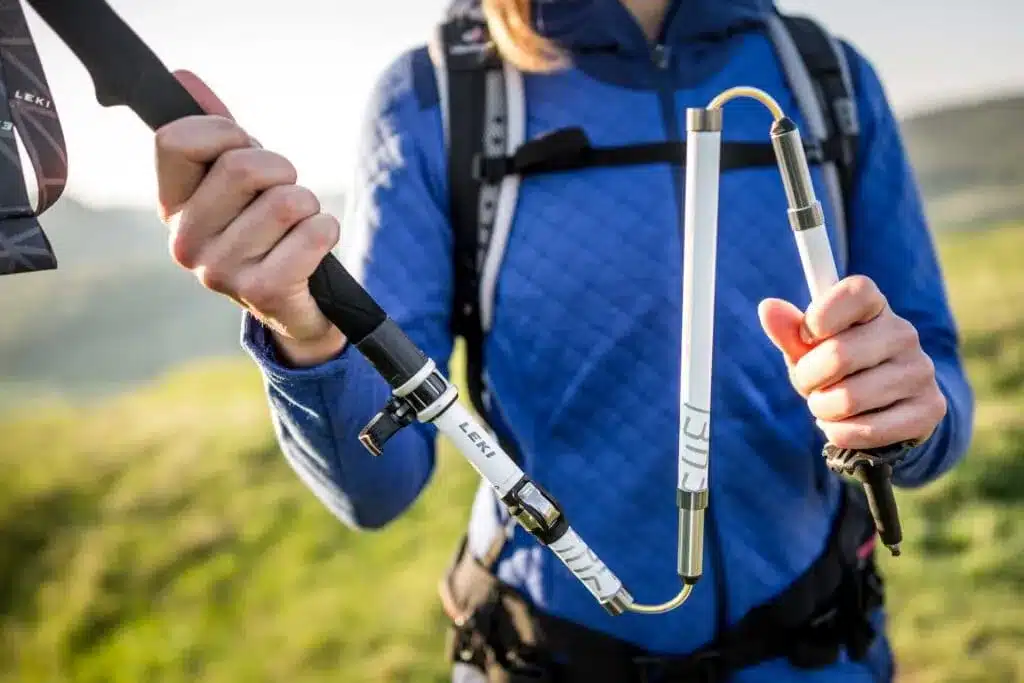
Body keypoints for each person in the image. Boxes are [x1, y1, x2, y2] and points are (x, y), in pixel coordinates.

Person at [153, 0, 974, 680]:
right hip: (551, 655)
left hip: (824, 652)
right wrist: (302, 330)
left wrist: (907, 413)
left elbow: (937, 382)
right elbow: (377, 487)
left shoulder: (823, 76)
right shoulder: (438, 97)